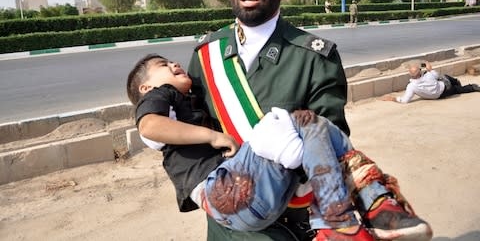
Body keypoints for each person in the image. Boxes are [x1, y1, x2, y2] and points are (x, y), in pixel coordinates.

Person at [141, 0, 433, 240]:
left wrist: (293, 155)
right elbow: (187, 128)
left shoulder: (315, 58)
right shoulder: (206, 54)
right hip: (225, 228)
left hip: (288, 227)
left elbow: (333, 149)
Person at [127, 53, 377, 239]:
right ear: (146, 88)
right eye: (163, 65)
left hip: (255, 206)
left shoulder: (186, 101)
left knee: (316, 125)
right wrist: (213, 137)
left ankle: (370, 203)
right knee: (286, 122)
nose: (174, 64)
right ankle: (355, 202)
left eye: (171, 61)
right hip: (223, 193)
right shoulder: (160, 96)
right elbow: (149, 127)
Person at [382, 61, 480, 103]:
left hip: (437, 97)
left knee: (456, 89)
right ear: (420, 71)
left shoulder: (411, 86)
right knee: (445, 77)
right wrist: (429, 68)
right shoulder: (430, 74)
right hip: (444, 89)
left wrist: (392, 98)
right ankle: (459, 82)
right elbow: (437, 75)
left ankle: (469, 87)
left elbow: (404, 100)